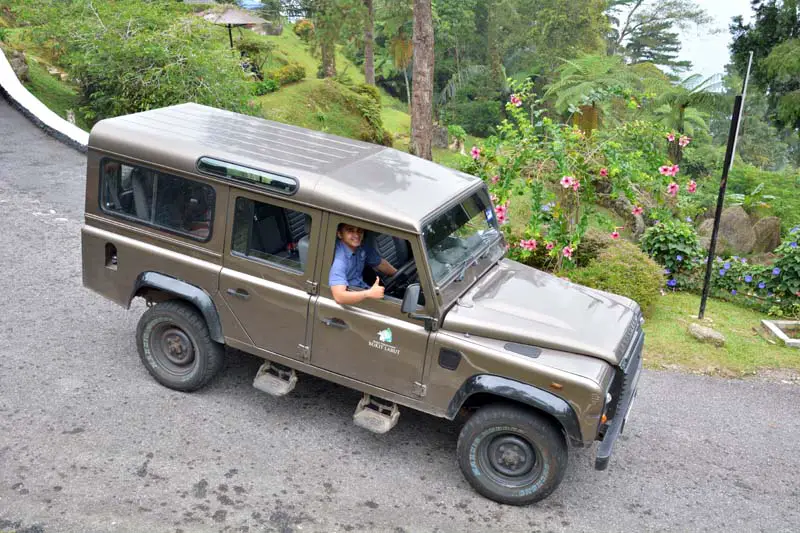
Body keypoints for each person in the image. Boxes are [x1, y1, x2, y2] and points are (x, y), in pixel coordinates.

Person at [329, 223, 397, 305]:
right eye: (350, 230)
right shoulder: (340, 261)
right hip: (352, 300)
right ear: (340, 234)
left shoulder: (361, 246)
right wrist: (369, 293)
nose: (356, 235)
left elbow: (381, 264)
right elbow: (339, 297)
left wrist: (398, 275)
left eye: (359, 231)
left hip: (363, 289)